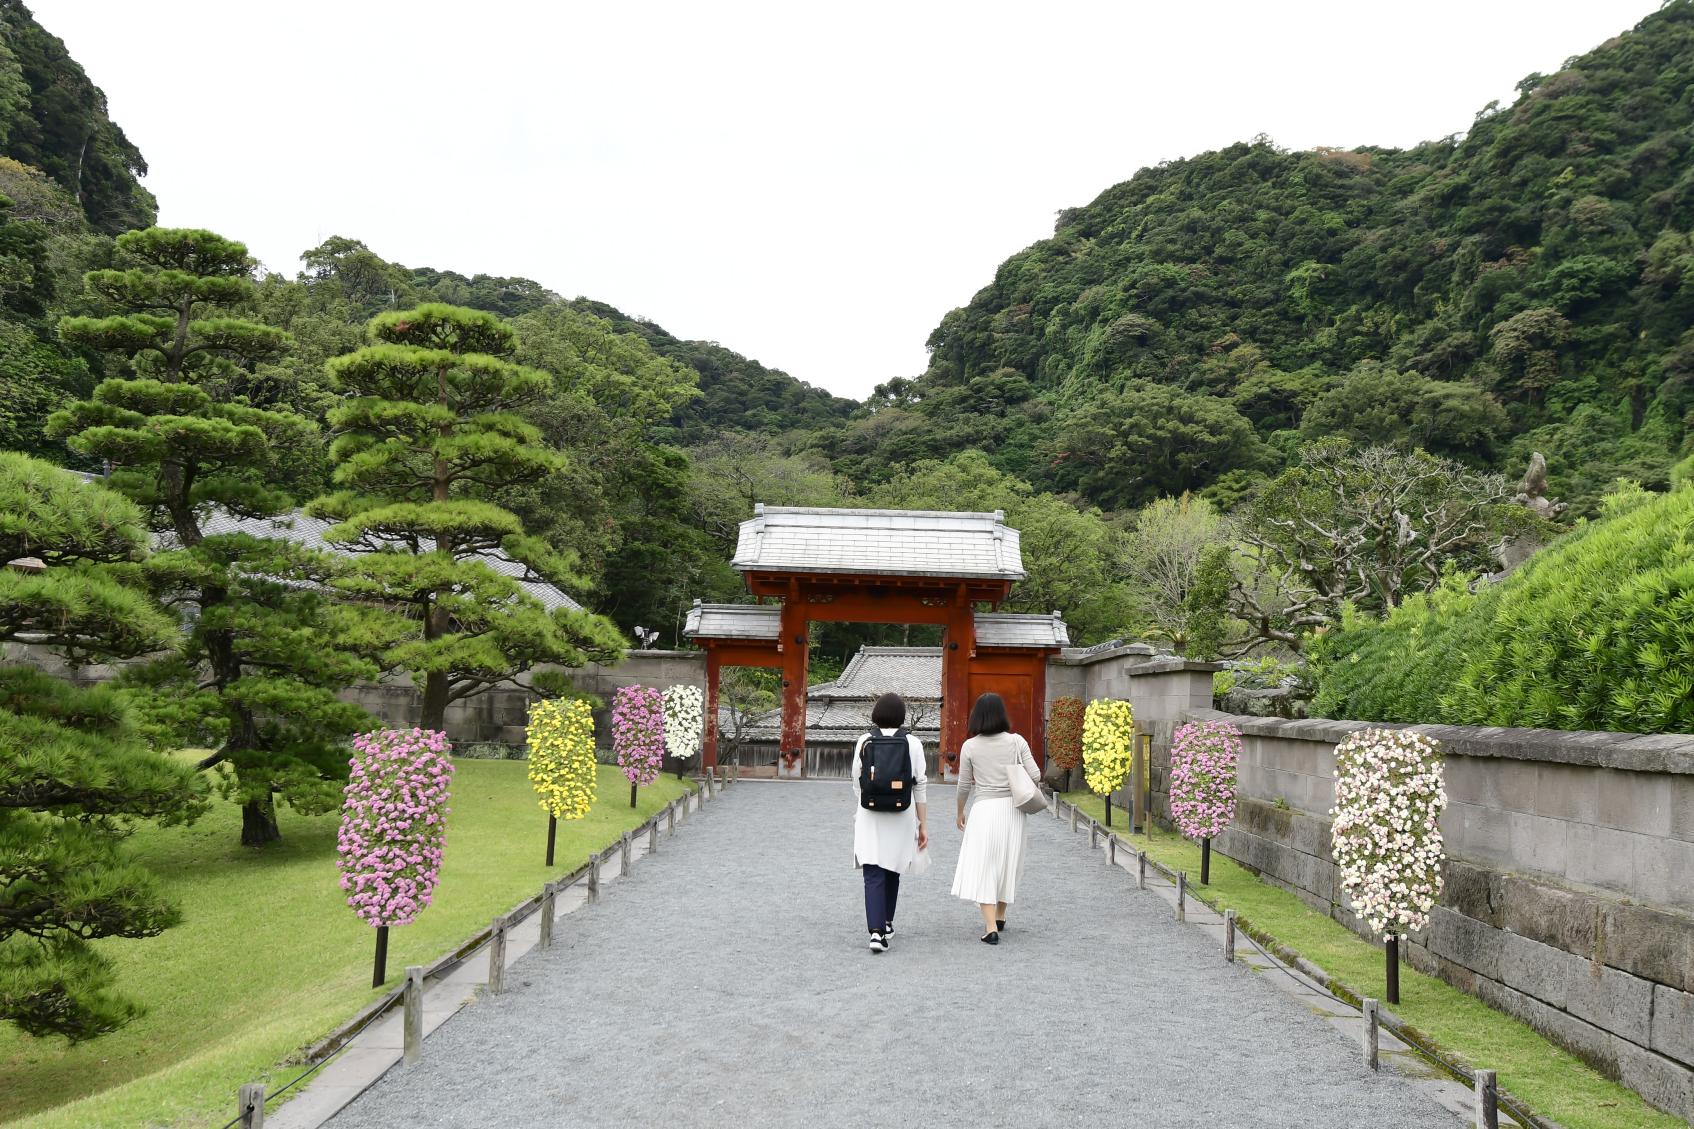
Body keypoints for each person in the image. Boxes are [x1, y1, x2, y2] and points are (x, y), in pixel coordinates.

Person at [950, 692, 1040, 944]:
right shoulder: (1016, 741)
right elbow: (1035, 774)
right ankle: (1000, 916)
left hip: (984, 810)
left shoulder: (970, 746)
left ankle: (991, 928)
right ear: (1002, 714)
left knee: (984, 866)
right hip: (1013, 810)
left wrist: (960, 811)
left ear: (976, 717)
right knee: (1007, 862)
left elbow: (963, 786)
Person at [850, 692, 929, 954]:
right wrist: (922, 824)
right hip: (902, 812)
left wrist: (864, 800)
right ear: (902, 716)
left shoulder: (864, 740)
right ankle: (886, 922)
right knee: (893, 865)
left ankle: (876, 933)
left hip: (869, 812)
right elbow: (920, 785)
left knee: (873, 868)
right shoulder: (913, 743)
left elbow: (856, 778)